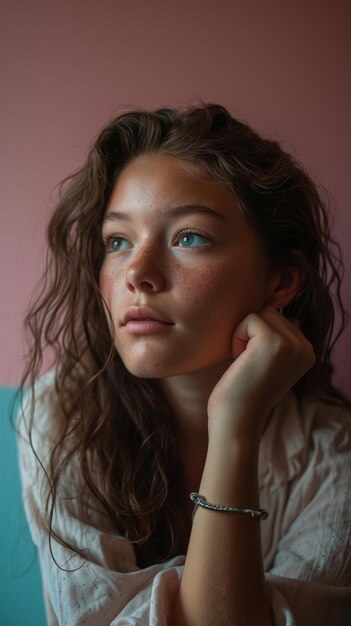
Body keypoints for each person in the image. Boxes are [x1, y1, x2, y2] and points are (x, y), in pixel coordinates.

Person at [17, 104, 351, 626]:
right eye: (118, 241)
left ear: (281, 281)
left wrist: (234, 428)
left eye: (188, 237)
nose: (138, 274)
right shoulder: (60, 416)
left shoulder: (334, 455)